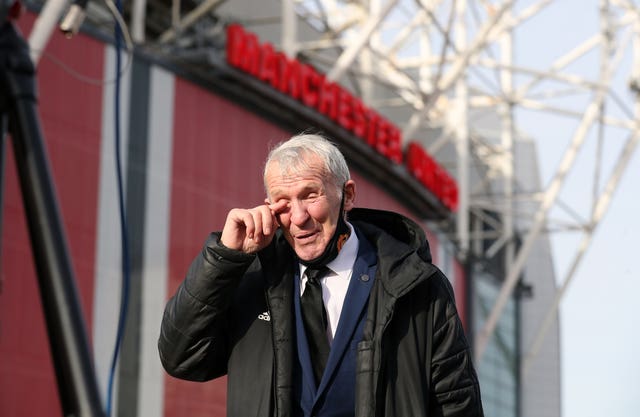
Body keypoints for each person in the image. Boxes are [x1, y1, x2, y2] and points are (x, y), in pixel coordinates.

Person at [158, 133, 484, 417]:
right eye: (283, 202)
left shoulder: (417, 286)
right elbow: (181, 358)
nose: (298, 217)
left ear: (348, 196)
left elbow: (456, 403)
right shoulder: (249, 280)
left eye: (310, 195)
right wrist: (224, 259)